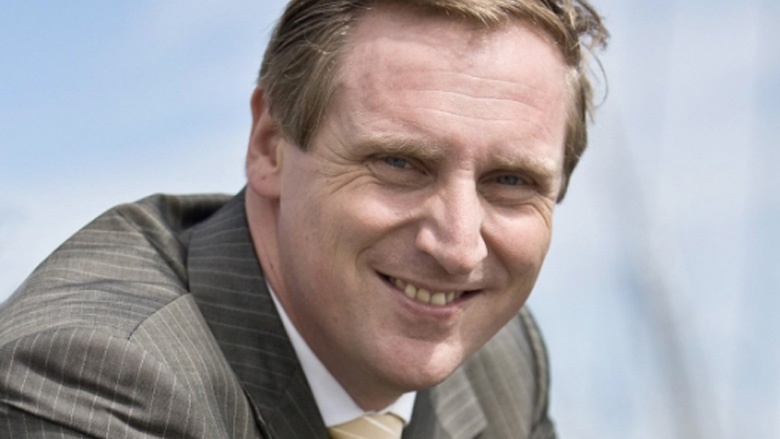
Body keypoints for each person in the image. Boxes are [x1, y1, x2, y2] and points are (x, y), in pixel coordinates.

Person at [0, 0, 608, 437]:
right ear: (271, 146)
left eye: (510, 182)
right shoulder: (96, 381)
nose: (457, 248)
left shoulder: (504, 360)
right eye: (399, 163)